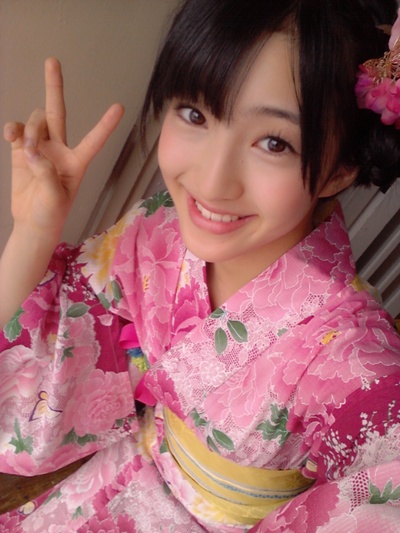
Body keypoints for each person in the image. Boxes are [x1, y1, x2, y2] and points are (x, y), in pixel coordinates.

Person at [1, 0, 400, 531]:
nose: (212, 182)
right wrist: (32, 235)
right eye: (195, 114)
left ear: (340, 170)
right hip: (119, 479)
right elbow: (58, 335)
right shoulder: (160, 228)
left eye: (274, 142)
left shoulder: (353, 358)